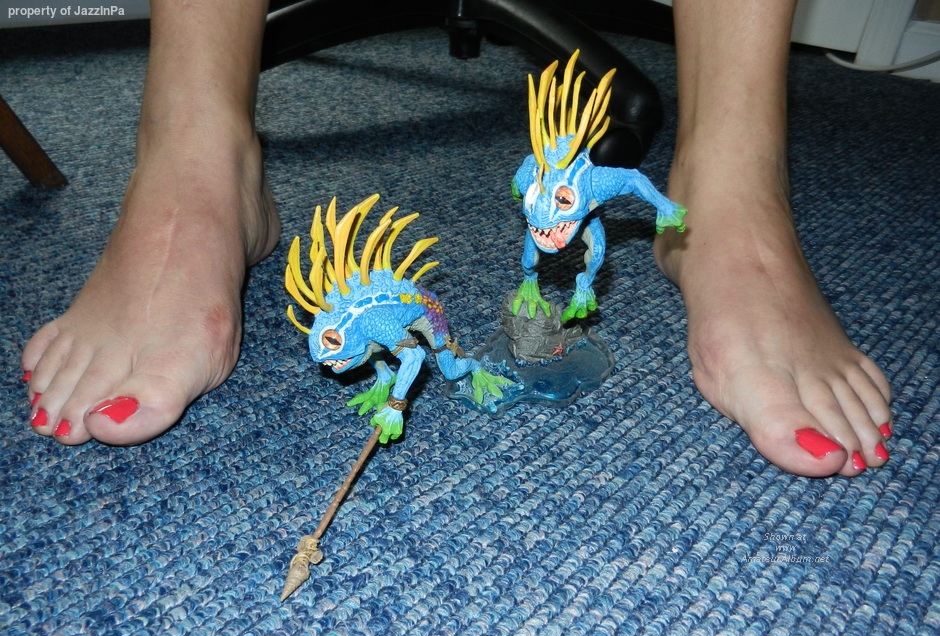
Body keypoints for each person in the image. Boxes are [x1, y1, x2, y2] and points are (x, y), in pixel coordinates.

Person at [21, 0, 892, 477]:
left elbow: (613, 187)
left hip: (481, 302)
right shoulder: (524, 207)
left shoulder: (590, 190)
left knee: (562, 268)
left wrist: (654, 208)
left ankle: (726, 184)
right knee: (530, 274)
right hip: (456, 305)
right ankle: (196, 160)